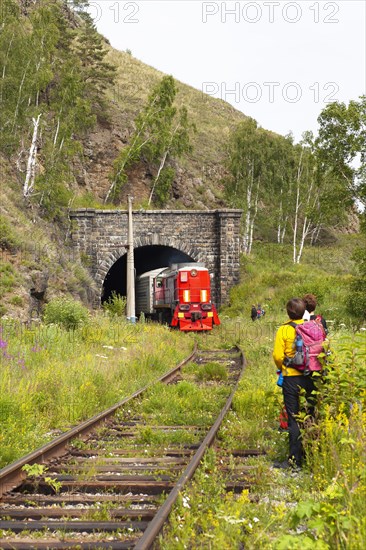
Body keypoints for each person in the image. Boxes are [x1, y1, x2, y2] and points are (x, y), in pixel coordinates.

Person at [272, 298, 316, 470]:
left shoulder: (284, 329)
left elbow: (277, 356)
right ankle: (313, 452)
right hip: (311, 375)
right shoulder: (312, 326)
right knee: (311, 413)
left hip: (291, 377)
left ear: (288, 313)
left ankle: (295, 461)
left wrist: (283, 366)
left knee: (294, 418)